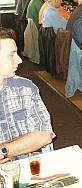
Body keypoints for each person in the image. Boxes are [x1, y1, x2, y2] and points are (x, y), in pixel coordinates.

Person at [0, 27, 54, 162]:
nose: (19, 60)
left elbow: (44, 135)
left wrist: (4, 151)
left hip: (27, 165)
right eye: (11, 55)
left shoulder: (25, 88)